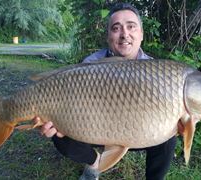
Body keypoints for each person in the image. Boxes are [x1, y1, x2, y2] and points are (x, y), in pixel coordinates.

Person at [34, 3, 177, 180]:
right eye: (116, 28)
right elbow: (71, 102)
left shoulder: (157, 71)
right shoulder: (90, 65)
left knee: (171, 133)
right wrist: (57, 118)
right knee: (58, 133)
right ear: (108, 36)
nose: (125, 34)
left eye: (131, 27)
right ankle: (94, 164)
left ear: (141, 34)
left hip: (139, 133)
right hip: (95, 129)